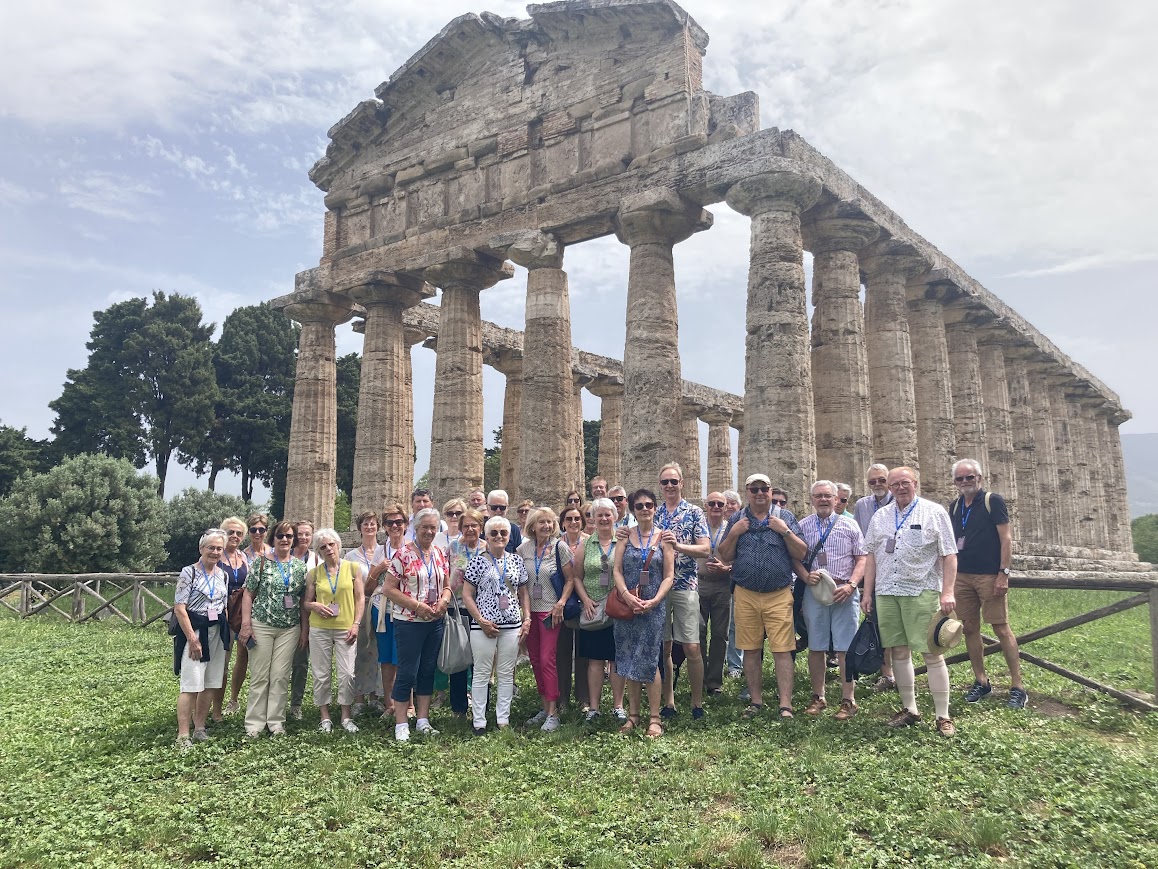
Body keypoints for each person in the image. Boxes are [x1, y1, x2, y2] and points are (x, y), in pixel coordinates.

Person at [863, 466, 959, 737]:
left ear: (915, 483)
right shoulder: (881, 516)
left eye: (905, 483)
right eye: (895, 485)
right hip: (887, 591)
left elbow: (949, 554)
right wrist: (867, 592)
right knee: (898, 652)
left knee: (932, 653)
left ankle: (943, 715)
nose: (900, 488)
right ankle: (910, 709)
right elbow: (870, 556)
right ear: (889, 488)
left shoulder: (933, 512)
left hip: (922, 590)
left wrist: (948, 592)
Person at [718, 474, 807, 719]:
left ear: (770, 491)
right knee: (751, 649)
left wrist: (785, 532)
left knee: (783, 650)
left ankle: (785, 704)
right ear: (747, 492)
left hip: (778, 593)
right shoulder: (737, 518)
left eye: (764, 489)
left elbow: (801, 552)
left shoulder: (784, 517)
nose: (759, 493)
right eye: (754, 489)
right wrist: (734, 533)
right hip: (746, 593)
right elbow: (724, 555)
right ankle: (756, 701)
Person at [948, 459, 1027, 709]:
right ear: (954, 483)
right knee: (970, 628)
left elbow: (1006, 538)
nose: (965, 482)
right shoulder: (954, 506)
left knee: (1001, 628)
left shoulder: (993, 501)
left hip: (989, 575)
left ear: (979, 478)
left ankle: (1018, 686)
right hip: (962, 575)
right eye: (960, 479)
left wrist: (1003, 572)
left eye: (969, 477)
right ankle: (981, 681)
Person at [796, 481, 867, 720]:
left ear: (837, 499)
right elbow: (794, 557)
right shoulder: (803, 526)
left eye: (828, 496)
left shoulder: (850, 524)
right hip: (815, 591)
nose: (823, 500)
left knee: (845, 647)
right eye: (818, 496)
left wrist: (852, 585)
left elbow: (862, 558)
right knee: (816, 645)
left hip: (844, 590)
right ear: (812, 499)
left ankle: (848, 699)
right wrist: (805, 576)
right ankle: (819, 697)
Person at [612, 489, 676, 738]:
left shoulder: (664, 538)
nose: (645, 509)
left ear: (655, 507)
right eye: (639, 506)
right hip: (627, 606)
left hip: (653, 607)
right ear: (632, 510)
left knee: (650, 660)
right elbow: (616, 570)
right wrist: (627, 596)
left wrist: (655, 600)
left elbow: (669, 575)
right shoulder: (625, 536)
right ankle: (633, 715)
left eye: (649, 504)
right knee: (628, 659)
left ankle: (655, 718)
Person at [384, 508, 452, 742]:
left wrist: (444, 600)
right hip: (409, 621)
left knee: (427, 670)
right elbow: (389, 589)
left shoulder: (440, 554)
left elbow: (447, 584)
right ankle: (401, 722)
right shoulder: (402, 554)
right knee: (407, 671)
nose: (430, 531)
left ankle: (423, 719)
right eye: (425, 527)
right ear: (416, 528)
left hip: (434, 621)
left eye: (433, 527)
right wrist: (416, 606)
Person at [238, 520, 308, 738]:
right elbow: (248, 594)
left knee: (279, 676)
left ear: (294, 539)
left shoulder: (300, 567)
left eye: (289, 536)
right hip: (262, 625)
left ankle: (276, 721)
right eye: (280, 536)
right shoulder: (260, 563)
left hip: (289, 628)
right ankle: (254, 723)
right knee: (260, 675)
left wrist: (304, 630)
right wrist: (246, 624)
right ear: (273, 539)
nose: (285, 540)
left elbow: (303, 599)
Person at [461, 515, 531, 734]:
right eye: (494, 533)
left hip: (511, 624)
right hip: (484, 626)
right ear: (486, 536)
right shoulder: (477, 561)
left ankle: (503, 719)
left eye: (503, 533)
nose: (499, 536)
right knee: (482, 673)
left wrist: (526, 618)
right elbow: (467, 595)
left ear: (509, 536)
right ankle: (479, 721)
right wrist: (480, 620)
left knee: (506, 672)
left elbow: (523, 592)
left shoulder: (516, 560)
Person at [651, 462, 710, 720]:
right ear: (660, 486)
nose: (670, 486)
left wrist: (679, 546)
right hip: (659, 587)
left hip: (686, 584)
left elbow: (705, 549)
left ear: (682, 483)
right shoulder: (654, 513)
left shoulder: (695, 512)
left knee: (692, 647)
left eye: (674, 481)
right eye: (665, 482)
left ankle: (697, 703)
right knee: (663, 648)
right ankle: (669, 702)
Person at [517, 506, 575, 732]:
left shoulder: (560, 548)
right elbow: (523, 586)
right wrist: (525, 614)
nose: (547, 526)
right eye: (542, 522)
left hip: (551, 612)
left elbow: (570, 579)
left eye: (550, 522)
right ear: (532, 525)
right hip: (530, 612)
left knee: (547, 659)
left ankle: (553, 712)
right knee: (536, 661)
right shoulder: (523, 550)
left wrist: (560, 603)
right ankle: (544, 706)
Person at [303, 528, 366, 733]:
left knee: (347, 673)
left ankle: (346, 716)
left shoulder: (353, 568)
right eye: (323, 547)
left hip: (345, 627)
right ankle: (325, 716)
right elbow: (306, 602)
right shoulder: (314, 573)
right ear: (319, 552)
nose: (328, 549)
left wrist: (356, 623)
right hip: (320, 628)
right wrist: (314, 606)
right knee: (321, 674)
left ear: (338, 546)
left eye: (331, 544)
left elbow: (360, 598)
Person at [173, 529, 231, 749]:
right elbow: (179, 608)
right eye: (211, 548)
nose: (215, 552)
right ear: (201, 549)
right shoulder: (189, 573)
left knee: (210, 683)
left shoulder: (222, 575)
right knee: (191, 684)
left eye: (219, 548)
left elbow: (223, 606)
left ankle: (200, 728)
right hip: (195, 632)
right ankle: (183, 735)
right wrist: (192, 639)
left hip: (216, 633)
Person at [573, 498, 627, 722]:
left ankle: (618, 705)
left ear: (615, 516)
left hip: (617, 608)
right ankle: (594, 708)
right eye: (599, 515)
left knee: (616, 658)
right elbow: (577, 576)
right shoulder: (586, 544)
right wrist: (585, 600)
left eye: (608, 514)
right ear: (593, 518)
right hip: (593, 608)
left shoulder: (623, 541)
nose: (604, 519)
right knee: (595, 660)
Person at [853, 464, 897, 692]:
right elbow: (862, 543)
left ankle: (901, 672)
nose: (878, 485)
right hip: (874, 571)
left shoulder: (900, 501)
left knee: (900, 625)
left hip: (898, 570)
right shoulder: (862, 505)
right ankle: (887, 673)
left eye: (882, 480)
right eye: (873, 482)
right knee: (879, 624)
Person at [445, 507, 486, 717]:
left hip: (483, 611)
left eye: (474, 525)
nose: (470, 529)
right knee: (460, 658)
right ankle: (458, 708)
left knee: (481, 661)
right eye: (466, 526)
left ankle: (481, 706)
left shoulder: (488, 549)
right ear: (460, 528)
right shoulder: (452, 548)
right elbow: (445, 578)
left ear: (481, 527)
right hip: (458, 609)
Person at [345, 511, 387, 715]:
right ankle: (359, 698)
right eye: (365, 524)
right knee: (361, 652)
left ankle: (375, 697)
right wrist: (377, 570)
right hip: (359, 607)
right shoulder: (351, 556)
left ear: (378, 527)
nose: (369, 527)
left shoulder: (385, 551)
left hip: (381, 606)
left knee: (378, 652)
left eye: (372, 524)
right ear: (359, 528)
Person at [371, 503, 408, 716]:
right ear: (384, 527)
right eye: (390, 523)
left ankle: (408, 705)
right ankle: (389, 705)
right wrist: (378, 569)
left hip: (405, 610)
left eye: (399, 522)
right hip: (382, 610)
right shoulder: (379, 551)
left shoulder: (412, 547)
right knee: (386, 658)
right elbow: (369, 586)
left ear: (406, 524)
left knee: (404, 658)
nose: (395, 526)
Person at [698, 491, 732, 696]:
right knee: (699, 633)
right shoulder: (698, 527)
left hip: (722, 585)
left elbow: (739, 557)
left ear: (726, 507)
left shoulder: (731, 529)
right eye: (712, 503)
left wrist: (726, 569)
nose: (716, 507)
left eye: (720, 503)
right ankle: (700, 678)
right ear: (706, 505)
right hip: (699, 584)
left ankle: (714, 682)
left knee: (720, 635)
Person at [557, 504, 590, 712]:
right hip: (562, 601)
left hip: (586, 599)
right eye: (569, 519)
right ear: (562, 523)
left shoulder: (589, 542)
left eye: (577, 518)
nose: (573, 522)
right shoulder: (556, 544)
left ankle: (583, 698)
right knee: (561, 651)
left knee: (584, 651)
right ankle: (562, 698)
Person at [214, 516, 248, 719]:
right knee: (222, 662)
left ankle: (233, 700)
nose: (234, 536)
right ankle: (216, 709)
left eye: (238, 533)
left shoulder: (244, 557)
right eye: (230, 532)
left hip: (240, 613)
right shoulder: (216, 555)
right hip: (221, 613)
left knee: (242, 658)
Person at [288, 519, 318, 721]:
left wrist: (306, 629)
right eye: (300, 534)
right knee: (277, 665)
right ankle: (275, 703)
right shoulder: (283, 555)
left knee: (300, 664)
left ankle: (296, 704)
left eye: (308, 534)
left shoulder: (316, 559)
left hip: (304, 617)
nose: (304, 538)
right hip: (280, 616)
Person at [722, 489, 744, 678]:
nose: (728, 507)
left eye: (732, 503)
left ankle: (735, 665)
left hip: (737, 581)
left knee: (735, 624)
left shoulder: (743, 526)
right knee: (719, 626)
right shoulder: (714, 525)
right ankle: (718, 661)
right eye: (724, 503)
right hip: (714, 583)